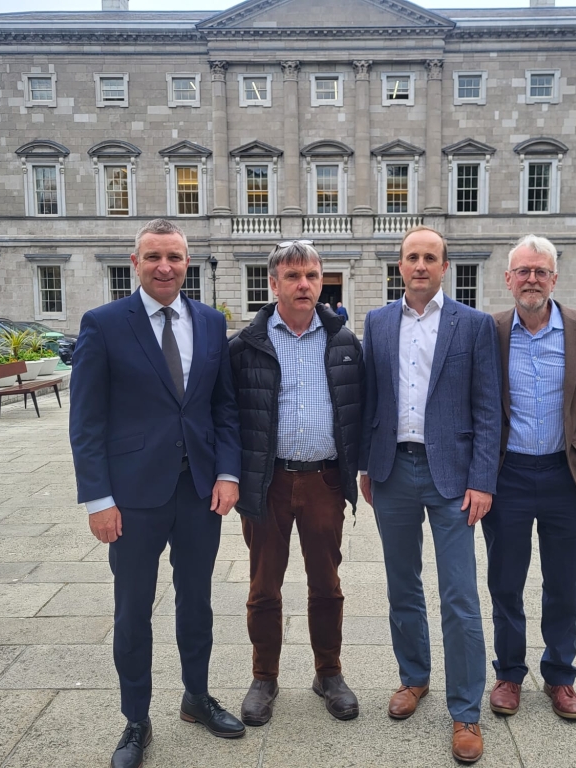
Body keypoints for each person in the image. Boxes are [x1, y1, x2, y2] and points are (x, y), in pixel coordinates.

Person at [69, 219, 245, 768]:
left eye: (173, 256)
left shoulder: (211, 323)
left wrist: (228, 473)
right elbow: (86, 419)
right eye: (153, 257)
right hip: (133, 497)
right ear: (135, 261)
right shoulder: (103, 324)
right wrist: (98, 499)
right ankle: (136, 719)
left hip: (198, 491)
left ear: (187, 262)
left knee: (198, 603)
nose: (164, 266)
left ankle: (196, 695)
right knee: (133, 611)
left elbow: (224, 408)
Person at [360, 226, 501, 764]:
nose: (421, 265)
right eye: (412, 257)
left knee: (460, 597)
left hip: (454, 478)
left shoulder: (473, 325)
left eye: (430, 257)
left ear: (445, 266)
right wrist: (366, 468)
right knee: (403, 586)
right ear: (400, 266)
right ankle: (413, 678)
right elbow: (371, 399)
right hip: (393, 470)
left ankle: (465, 711)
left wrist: (483, 479)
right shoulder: (377, 322)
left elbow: (489, 408)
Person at [228, 240, 364, 726]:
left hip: (324, 481)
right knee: (264, 585)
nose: (304, 284)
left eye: (311, 275)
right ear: (274, 283)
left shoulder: (345, 342)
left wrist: (361, 471)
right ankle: (264, 676)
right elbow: (228, 416)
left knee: (326, 584)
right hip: (267, 484)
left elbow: (359, 411)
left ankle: (329, 673)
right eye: (292, 276)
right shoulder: (246, 346)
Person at [483, 234, 576, 723]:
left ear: (554, 278)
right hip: (509, 475)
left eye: (540, 271)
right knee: (506, 582)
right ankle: (509, 674)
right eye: (523, 271)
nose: (531, 279)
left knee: (564, 583)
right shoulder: (490, 331)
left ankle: (560, 676)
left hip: (566, 477)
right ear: (508, 279)